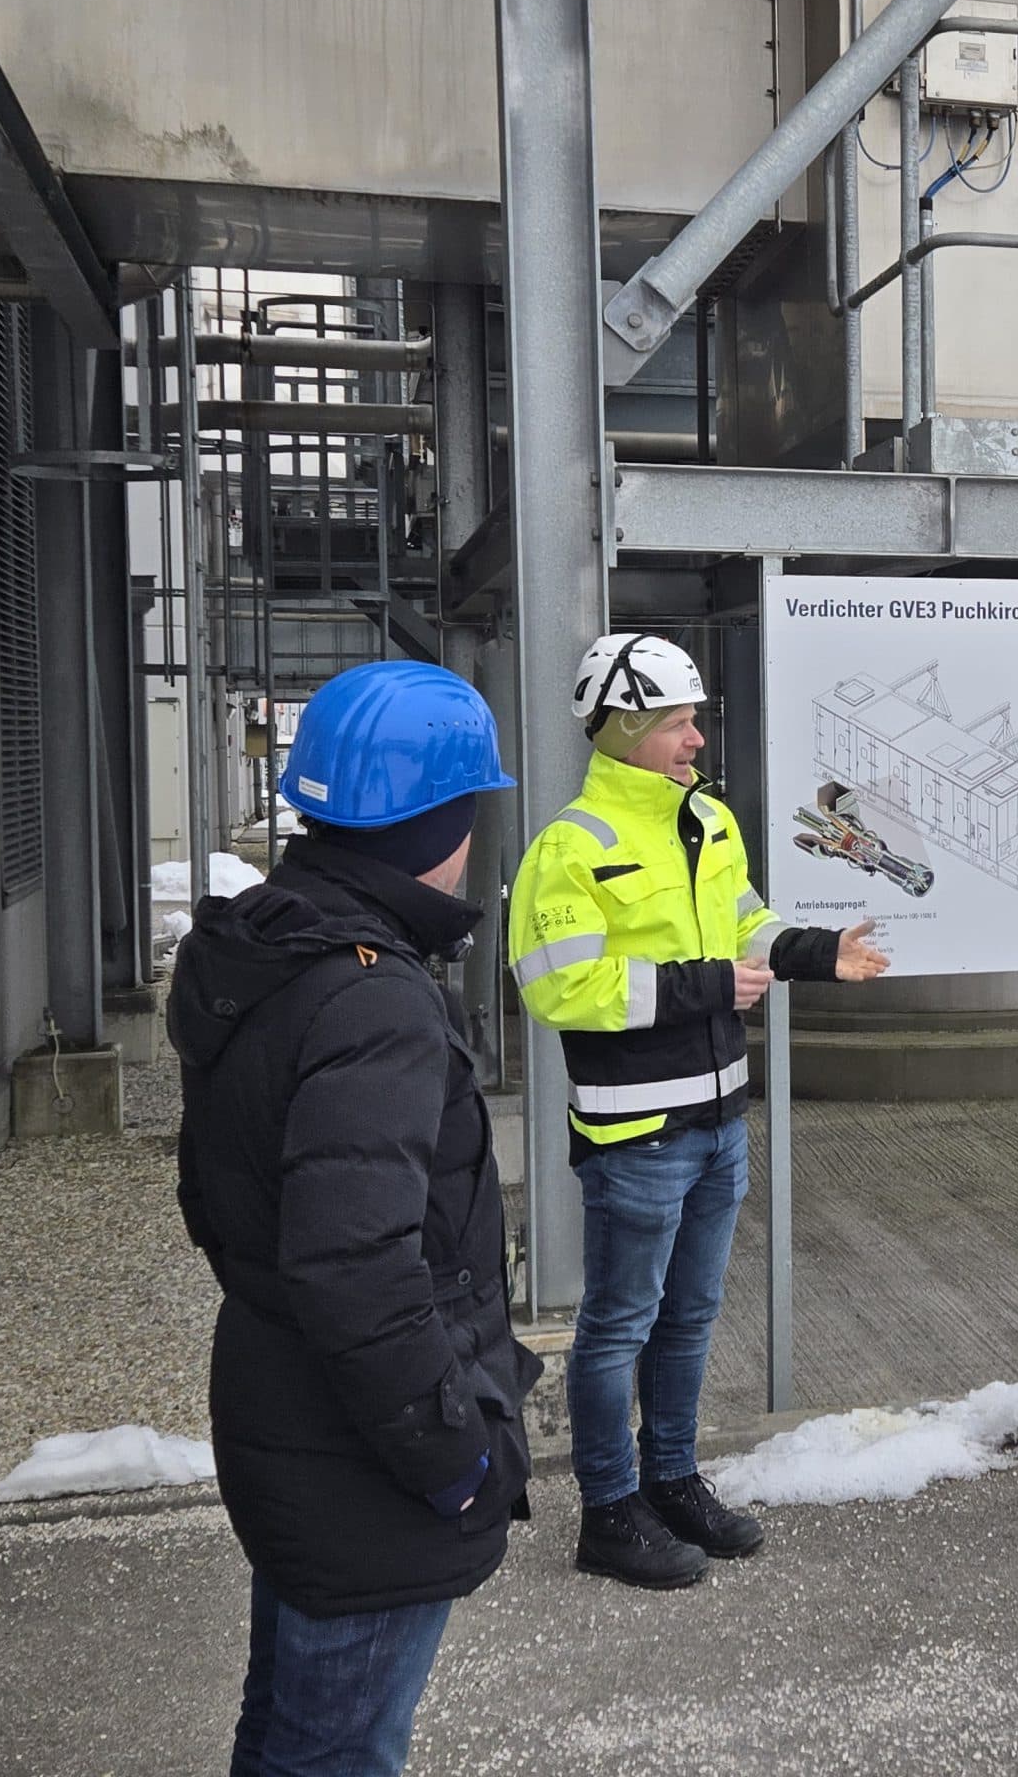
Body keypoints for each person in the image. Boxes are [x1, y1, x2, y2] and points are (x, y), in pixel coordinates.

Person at [170, 662, 534, 1777]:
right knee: (339, 1753)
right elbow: (352, 1264)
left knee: (287, 1727)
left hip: (286, 1404)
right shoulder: (373, 996)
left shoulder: (271, 944)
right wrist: (453, 1457)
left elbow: (234, 1201)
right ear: (445, 820)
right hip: (359, 1452)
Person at [508, 633, 891, 1591]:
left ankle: (671, 1480)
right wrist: (710, 985)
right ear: (625, 729)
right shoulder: (571, 848)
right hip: (634, 1137)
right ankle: (608, 1509)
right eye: (679, 722)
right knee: (619, 1325)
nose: (695, 738)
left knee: (691, 1316)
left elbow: (745, 924)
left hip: (720, 1123)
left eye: (694, 719)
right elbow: (561, 989)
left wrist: (811, 952)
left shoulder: (709, 823)